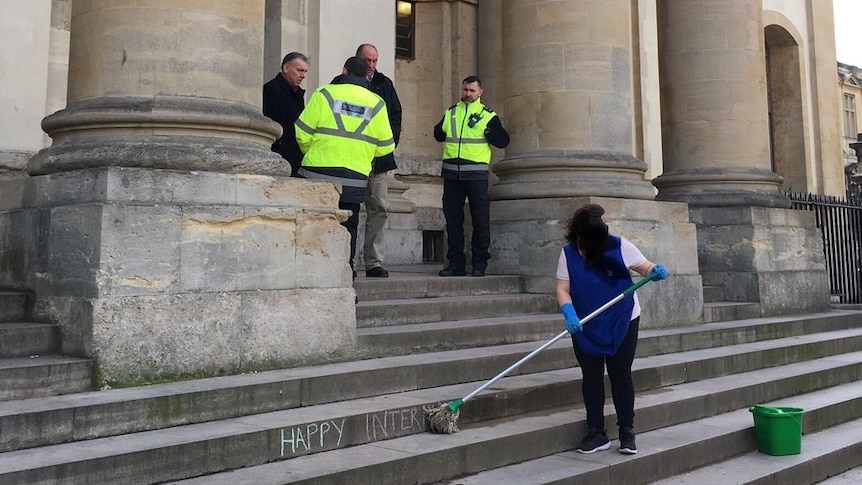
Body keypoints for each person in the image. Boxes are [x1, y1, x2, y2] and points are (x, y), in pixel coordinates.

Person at [554, 203, 668, 455]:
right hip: (585, 322)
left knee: (620, 373)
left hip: (622, 320)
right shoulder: (568, 254)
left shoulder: (620, 246)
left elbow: (645, 267)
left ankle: (626, 430)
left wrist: (655, 271)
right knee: (592, 376)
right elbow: (563, 288)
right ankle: (596, 432)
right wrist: (568, 312)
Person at [295, 57, 395, 279]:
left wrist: (314, 152)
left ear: (344, 71)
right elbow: (386, 147)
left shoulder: (324, 94)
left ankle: (311, 277)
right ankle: (344, 278)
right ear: (365, 75)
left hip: (316, 174)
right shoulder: (377, 103)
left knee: (313, 227)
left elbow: (302, 132)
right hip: (354, 178)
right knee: (347, 229)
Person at [433, 76, 509, 277]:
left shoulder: (488, 115)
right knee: (453, 221)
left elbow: (503, 141)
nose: (467, 94)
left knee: (480, 220)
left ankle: (479, 263)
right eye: (465, 90)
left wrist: (489, 132)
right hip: (451, 174)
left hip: (475, 175)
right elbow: (438, 134)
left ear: (480, 92)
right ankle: (456, 264)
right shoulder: (451, 112)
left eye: (472, 91)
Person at [356, 43, 403, 278]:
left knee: (380, 208)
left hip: (378, 160)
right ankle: (346, 261)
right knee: (349, 209)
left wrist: (389, 144)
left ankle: (373, 262)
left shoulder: (385, 84)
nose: (371, 65)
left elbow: (395, 115)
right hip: (352, 157)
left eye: (374, 60)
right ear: (358, 59)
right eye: (367, 60)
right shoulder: (344, 82)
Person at [263, 52, 309, 176]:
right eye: (299, 70)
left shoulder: (298, 94)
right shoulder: (270, 90)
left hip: (294, 158)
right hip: (278, 157)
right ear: (286, 68)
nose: (303, 75)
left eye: (305, 71)